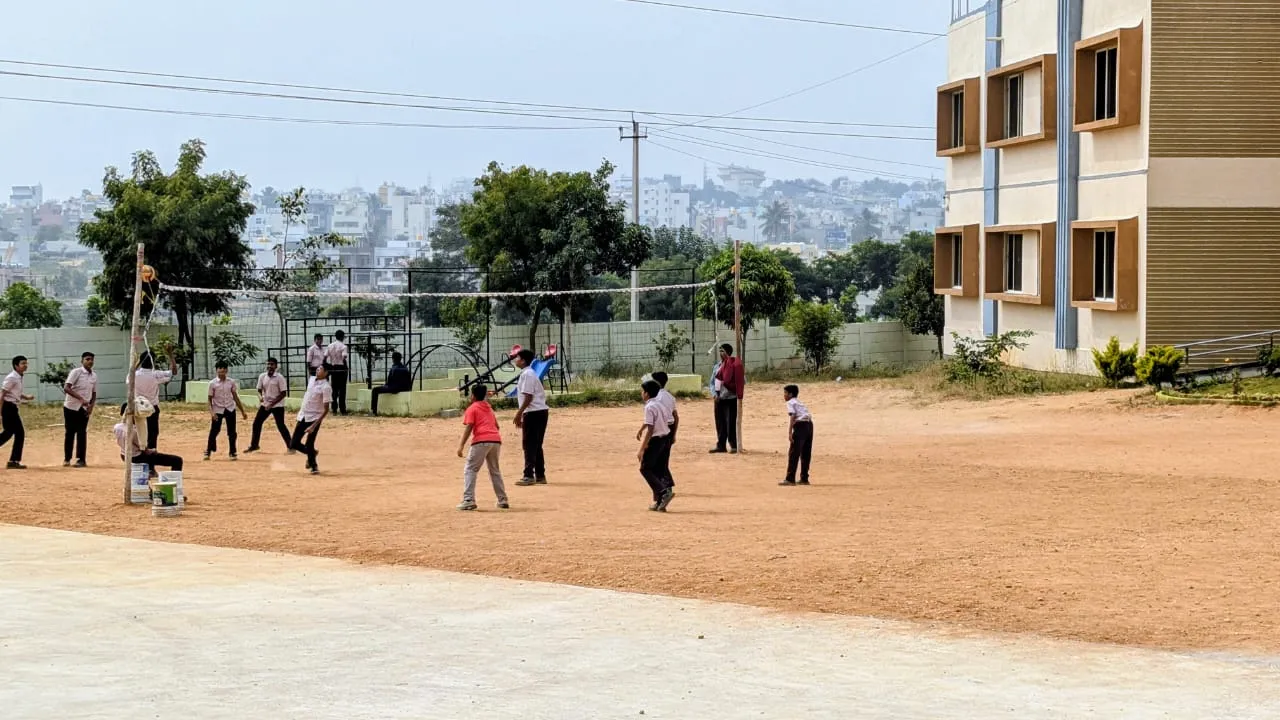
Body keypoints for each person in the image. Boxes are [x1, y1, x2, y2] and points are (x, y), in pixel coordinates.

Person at [455, 384, 509, 511]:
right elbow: (497, 426)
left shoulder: (472, 408)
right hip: (495, 440)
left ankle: (468, 499)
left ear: (472, 395)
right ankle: (502, 499)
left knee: (470, 469)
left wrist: (461, 445)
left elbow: (469, 427)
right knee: (494, 470)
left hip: (481, 440)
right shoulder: (488, 407)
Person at [512, 348, 549, 486]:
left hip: (533, 412)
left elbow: (528, 396)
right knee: (537, 445)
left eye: (518, 358)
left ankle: (528, 475)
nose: (516, 360)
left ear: (523, 360)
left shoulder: (527, 374)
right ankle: (540, 475)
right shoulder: (530, 373)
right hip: (540, 411)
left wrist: (519, 413)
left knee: (529, 444)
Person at [637, 379, 675, 512]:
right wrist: (642, 428)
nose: (641, 393)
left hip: (655, 440)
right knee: (657, 469)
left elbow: (651, 429)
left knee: (645, 469)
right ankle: (660, 501)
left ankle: (663, 492)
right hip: (665, 438)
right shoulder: (660, 405)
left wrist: (642, 448)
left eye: (643, 391)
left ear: (647, 394)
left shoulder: (648, 407)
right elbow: (668, 420)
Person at [128, 350, 176, 451]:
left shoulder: (135, 375)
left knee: (139, 432)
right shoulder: (155, 374)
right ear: (153, 362)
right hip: (151, 408)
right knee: (152, 433)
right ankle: (151, 453)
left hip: (138, 408)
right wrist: (171, 355)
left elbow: (129, 379)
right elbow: (173, 372)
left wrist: (137, 363)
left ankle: (139, 451)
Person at [115, 403, 184, 473]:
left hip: (124, 455)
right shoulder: (135, 431)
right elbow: (143, 449)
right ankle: (175, 479)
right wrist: (152, 451)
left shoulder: (117, 427)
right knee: (177, 460)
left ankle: (150, 471)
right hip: (137, 457)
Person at [245, 357, 293, 454]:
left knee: (281, 425)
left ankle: (291, 446)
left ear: (276, 366)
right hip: (265, 404)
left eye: (272, 364)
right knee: (256, 423)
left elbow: (283, 393)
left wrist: (272, 404)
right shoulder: (262, 376)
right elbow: (258, 390)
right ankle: (254, 445)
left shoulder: (280, 378)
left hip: (277, 406)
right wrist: (260, 397)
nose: (269, 366)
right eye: (268, 364)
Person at [291, 365, 331, 474]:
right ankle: (312, 453)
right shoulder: (312, 379)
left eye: (320, 369)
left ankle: (314, 466)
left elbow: (326, 409)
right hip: (303, 415)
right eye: (317, 368)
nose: (318, 370)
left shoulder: (326, 387)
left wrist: (314, 425)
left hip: (314, 418)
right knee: (293, 443)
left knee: (309, 443)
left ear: (326, 373)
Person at [62, 351, 98, 468]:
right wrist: (80, 398)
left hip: (84, 408)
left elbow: (94, 393)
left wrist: (91, 407)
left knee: (82, 432)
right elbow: (67, 388)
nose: (90, 361)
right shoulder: (76, 372)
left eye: (92, 359)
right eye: (87, 359)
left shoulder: (94, 375)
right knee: (70, 432)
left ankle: (81, 459)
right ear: (82, 361)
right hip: (71, 406)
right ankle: (67, 458)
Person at [205, 361, 247, 461]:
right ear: (216, 371)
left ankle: (232, 452)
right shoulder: (212, 384)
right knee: (214, 431)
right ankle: (208, 450)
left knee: (232, 432)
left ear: (226, 371)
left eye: (223, 372)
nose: (221, 374)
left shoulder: (231, 382)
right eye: (219, 372)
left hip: (230, 408)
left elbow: (235, 397)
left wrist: (242, 411)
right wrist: (212, 413)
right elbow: (209, 399)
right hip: (218, 409)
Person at [1, 356, 34, 469]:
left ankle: (13, 460)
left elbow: (15, 392)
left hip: (12, 407)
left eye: (26, 363)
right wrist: (0, 412)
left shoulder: (18, 377)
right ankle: (14, 460)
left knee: (9, 433)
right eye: (23, 363)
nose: (25, 365)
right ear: (16, 365)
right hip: (8, 407)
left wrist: (26, 397)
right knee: (18, 433)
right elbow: (2, 394)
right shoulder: (12, 378)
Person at [710, 344, 744, 454]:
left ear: (728, 353)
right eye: (720, 351)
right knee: (720, 422)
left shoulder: (735, 365)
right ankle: (721, 445)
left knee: (731, 422)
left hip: (731, 398)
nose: (721, 353)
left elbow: (742, 380)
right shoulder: (717, 366)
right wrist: (715, 394)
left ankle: (733, 445)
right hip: (719, 399)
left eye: (723, 351)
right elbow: (712, 383)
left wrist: (731, 386)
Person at [779, 384, 813, 486]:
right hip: (809, 425)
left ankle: (790, 478)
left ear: (790, 394)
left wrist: (790, 432)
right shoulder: (799, 402)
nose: (784, 395)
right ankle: (804, 478)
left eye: (785, 393)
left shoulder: (790, 402)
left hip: (801, 426)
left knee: (794, 453)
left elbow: (793, 416)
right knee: (806, 453)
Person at [650, 371, 679, 488]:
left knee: (657, 459)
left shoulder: (657, 398)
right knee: (664, 456)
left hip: (662, 427)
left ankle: (664, 484)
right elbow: (676, 416)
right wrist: (674, 434)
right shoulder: (669, 396)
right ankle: (666, 482)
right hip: (670, 427)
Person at [371, 351, 412, 416]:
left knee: (375, 390)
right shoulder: (405, 368)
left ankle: (373, 411)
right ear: (400, 359)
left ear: (393, 359)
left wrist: (385, 386)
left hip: (393, 388)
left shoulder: (394, 368)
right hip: (404, 388)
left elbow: (389, 381)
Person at [326, 329, 350, 415]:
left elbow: (325, 357)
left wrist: (329, 367)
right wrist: (345, 368)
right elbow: (344, 357)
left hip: (333, 368)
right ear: (342, 337)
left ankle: (334, 409)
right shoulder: (343, 346)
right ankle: (342, 409)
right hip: (341, 368)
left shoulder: (330, 346)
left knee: (334, 389)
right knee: (342, 389)